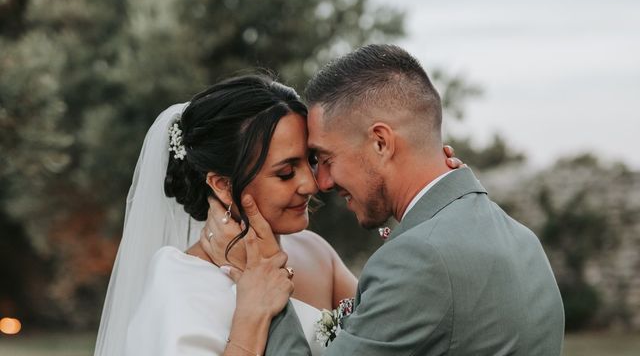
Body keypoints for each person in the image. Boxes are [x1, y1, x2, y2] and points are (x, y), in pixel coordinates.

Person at [221, 45, 565, 355]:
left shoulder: (421, 258)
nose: (321, 182)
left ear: (381, 143)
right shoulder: (521, 239)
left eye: (325, 158)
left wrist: (269, 292)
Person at [93, 72, 466, 356]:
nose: (311, 183)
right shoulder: (178, 281)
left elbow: (400, 332)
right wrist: (251, 315)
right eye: (286, 172)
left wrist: (429, 185)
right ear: (222, 184)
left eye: (311, 161)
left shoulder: (314, 252)